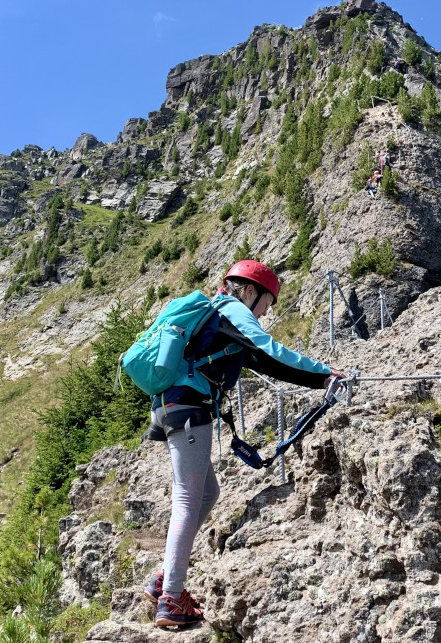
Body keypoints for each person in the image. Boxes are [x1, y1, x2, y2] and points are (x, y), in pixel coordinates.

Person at [142, 260, 344, 627]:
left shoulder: (217, 318)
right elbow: (269, 348)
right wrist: (324, 371)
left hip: (174, 406)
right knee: (188, 498)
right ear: (249, 291)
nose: (266, 312)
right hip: (189, 409)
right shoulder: (232, 310)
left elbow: (265, 363)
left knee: (207, 493)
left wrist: (319, 381)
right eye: (267, 302)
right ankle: (170, 598)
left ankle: (163, 579)